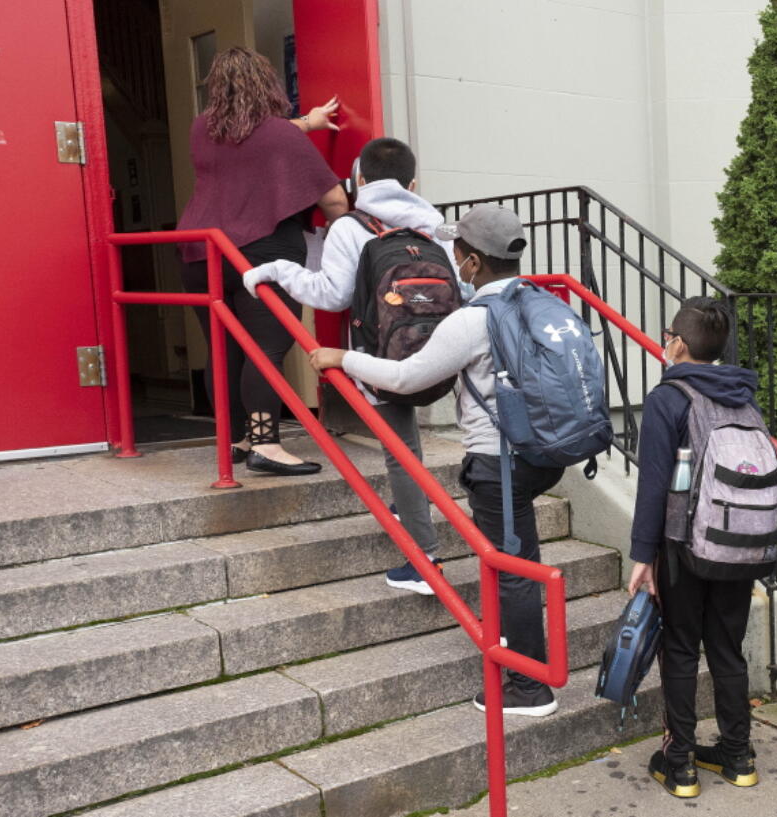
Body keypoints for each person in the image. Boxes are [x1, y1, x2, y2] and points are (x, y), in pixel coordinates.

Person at [308, 204, 563, 716]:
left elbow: (406, 378)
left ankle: (530, 686)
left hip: (498, 460)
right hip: (545, 452)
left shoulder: (471, 321)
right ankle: (526, 663)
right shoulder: (539, 301)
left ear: (469, 262)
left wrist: (342, 357)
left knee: (513, 568)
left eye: (457, 253)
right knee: (518, 560)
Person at [242, 137, 453, 594]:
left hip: (382, 354)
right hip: (443, 353)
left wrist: (278, 269)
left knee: (403, 455)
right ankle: (409, 509)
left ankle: (423, 561)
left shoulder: (350, 227)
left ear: (358, 180)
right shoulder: (435, 224)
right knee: (410, 448)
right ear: (413, 183)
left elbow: (331, 296)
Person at [177, 46, 347, 476]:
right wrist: (347, 235)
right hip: (263, 255)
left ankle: (235, 439)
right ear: (267, 84)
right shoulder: (280, 135)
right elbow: (332, 197)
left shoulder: (202, 128)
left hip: (202, 254)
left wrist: (305, 123)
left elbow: (247, 138)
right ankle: (267, 445)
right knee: (266, 349)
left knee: (224, 349)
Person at [627, 297, 762, 799]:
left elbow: (654, 485)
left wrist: (645, 556)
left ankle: (680, 763)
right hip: (740, 544)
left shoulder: (668, 399)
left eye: (668, 334)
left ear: (678, 343)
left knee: (681, 648)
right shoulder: (745, 396)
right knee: (727, 649)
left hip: (684, 547)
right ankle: (737, 755)